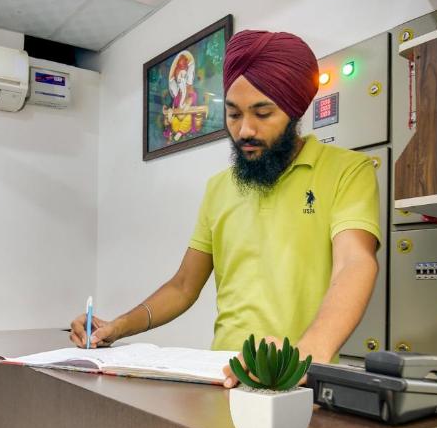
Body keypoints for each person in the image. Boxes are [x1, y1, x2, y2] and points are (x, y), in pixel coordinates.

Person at [70, 30, 381, 388]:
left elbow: (355, 262)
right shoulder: (219, 188)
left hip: (298, 380)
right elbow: (184, 286)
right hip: (222, 377)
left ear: (295, 111)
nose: (245, 129)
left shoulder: (347, 171)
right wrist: (117, 327)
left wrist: (305, 355)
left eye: (263, 113)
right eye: (233, 114)